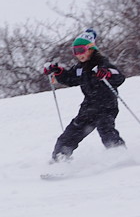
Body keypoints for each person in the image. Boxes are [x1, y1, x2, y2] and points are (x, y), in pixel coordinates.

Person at [43, 29, 126, 162]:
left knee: (106, 130)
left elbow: (119, 77)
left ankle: (120, 155)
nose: (78, 54)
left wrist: (107, 74)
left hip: (106, 106)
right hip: (88, 108)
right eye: (75, 51)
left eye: (81, 50)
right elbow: (70, 78)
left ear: (91, 49)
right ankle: (60, 159)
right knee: (70, 134)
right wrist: (58, 72)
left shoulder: (102, 64)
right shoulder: (80, 68)